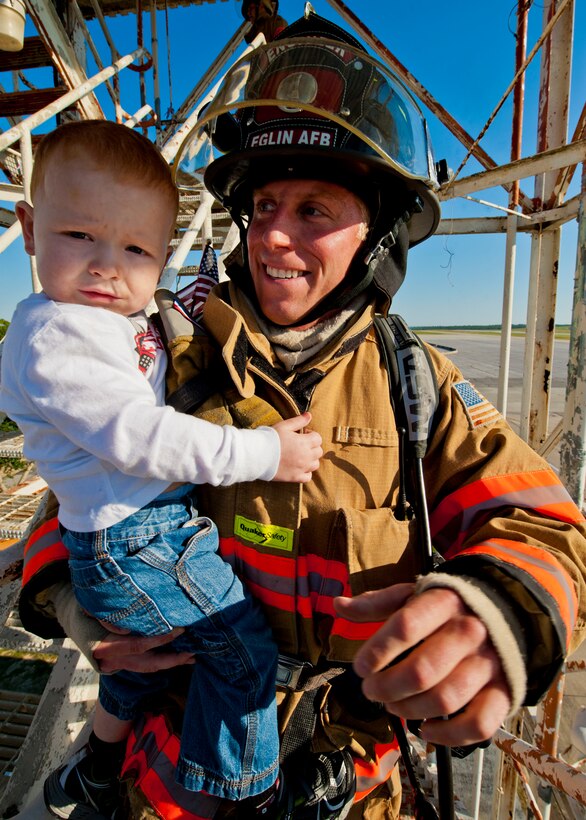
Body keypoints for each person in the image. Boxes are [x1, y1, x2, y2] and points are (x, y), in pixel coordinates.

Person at [17, 11, 586, 820]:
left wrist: (492, 616)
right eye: (266, 204)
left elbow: (546, 524)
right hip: (167, 778)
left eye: (315, 210)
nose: (274, 237)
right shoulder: (166, 355)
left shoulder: (414, 386)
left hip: (345, 789)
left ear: (377, 235)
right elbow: (67, 496)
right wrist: (80, 610)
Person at [0, 120, 324, 818]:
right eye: (80, 236)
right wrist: (268, 453)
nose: (108, 266)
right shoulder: (59, 334)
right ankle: (245, 796)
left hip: (138, 536)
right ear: (29, 228)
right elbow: (138, 438)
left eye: (137, 248)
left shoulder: (108, 319)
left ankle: (94, 766)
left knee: (152, 664)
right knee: (243, 653)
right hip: (139, 539)